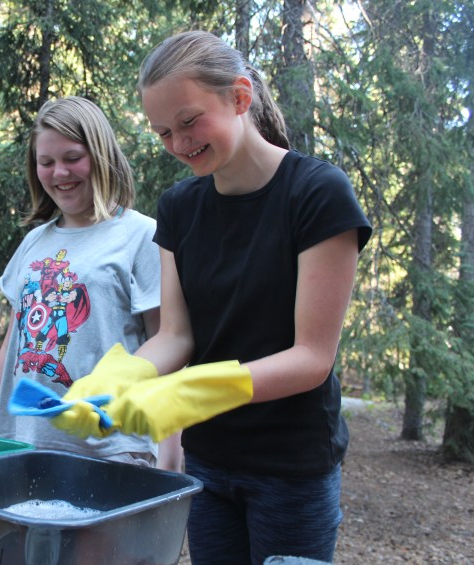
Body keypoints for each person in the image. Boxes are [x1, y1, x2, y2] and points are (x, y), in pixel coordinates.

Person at [54, 31, 372, 564]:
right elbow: (176, 335)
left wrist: (194, 390)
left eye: (189, 121)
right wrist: (121, 375)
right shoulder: (178, 207)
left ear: (240, 97)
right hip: (208, 463)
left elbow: (312, 357)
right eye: (163, 132)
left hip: (292, 467)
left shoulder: (317, 193)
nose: (178, 144)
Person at [0, 96, 182, 470]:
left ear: (101, 155)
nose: (59, 173)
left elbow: (167, 346)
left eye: (72, 158)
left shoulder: (142, 236)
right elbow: (11, 346)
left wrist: (170, 458)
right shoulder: (34, 242)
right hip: (22, 444)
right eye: (46, 162)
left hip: (112, 452)